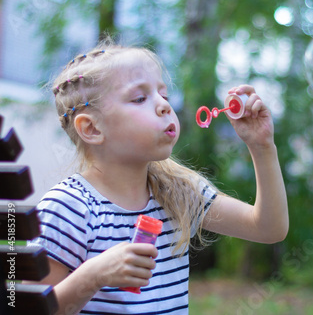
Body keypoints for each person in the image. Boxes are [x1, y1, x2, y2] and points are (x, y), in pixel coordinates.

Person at [28, 41, 288, 314]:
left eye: (163, 94)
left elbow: (268, 229)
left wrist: (262, 147)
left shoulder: (178, 190)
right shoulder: (69, 208)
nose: (164, 106)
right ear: (91, 128)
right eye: (140, 98)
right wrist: (94, 275)